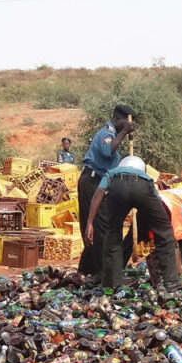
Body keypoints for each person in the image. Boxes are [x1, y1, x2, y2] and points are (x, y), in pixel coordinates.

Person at [83, 156, 178, 290]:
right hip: (142, 188)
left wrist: (90, 223)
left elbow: (98, 194)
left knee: (113, 233)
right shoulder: (145, 176)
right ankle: (171, 281)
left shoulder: (112, 173)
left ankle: (112, 282)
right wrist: (161, 221)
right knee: (164, 232)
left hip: (117, 187)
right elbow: (156, 198)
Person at [78, 104, 134, 277]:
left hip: (100, 183)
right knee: (99, 226)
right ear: (117, 119)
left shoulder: (114, 135)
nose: (125, 126)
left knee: (101, 225)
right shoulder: (106, 134)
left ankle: (87, 269)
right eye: (124, 123)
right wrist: (124, 133)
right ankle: (102, 271)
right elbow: (108, 152)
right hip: (91, 182)